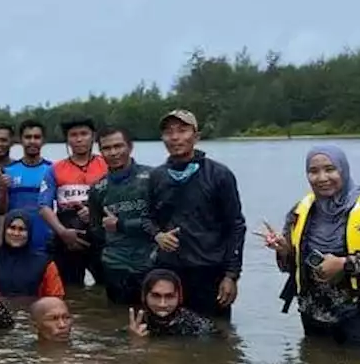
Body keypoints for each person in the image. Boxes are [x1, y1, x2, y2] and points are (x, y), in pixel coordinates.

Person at [268, 145, 360, 347]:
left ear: (343, 170)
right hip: (314, 312)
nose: (322, 178)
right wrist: (284, 251)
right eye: (313, 171)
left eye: (330, 169)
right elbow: (289, 267)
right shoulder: (300, 211)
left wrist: (345, 263)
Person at [145, 110, 245, 318]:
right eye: (168, 132)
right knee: (169, 335)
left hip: (210, 270)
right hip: (170, 271)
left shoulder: (219, 174)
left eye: (182, 131)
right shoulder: (157, 176)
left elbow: (236, 226)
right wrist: (158, 235)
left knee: (215, 338)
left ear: (196, 137)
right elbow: (147, 219)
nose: (175, 137)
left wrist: (231, 276)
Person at [86, 127, 154, 305]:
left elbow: (164, 221)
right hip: (115, 264)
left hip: (151, 261)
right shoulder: (97, 189)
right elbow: (96, 230)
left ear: (130, 147)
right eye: (107, 148)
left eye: (118, 146)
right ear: (100, 152)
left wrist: (122, 224)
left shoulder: (153, 178)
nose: (113, 153)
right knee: (117, 319)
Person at [38, 117, 108, 287]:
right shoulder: (54, 169)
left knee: (105, 287)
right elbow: (43, 206)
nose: (79, 139)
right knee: (69, 290)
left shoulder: (106, 165)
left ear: (93, 136)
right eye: (73, 135)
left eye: (84, 134)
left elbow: (119, 200)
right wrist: (62, 232)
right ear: (67, 139)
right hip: (66, 237)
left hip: (101, 237)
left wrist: (96, 213)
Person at [0, 211, 64, 299]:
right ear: (4, 230)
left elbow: (56, 298)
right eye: (12, 228)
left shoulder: (45, 264)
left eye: (22, 229)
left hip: (33, 310)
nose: (16, 233)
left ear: (29, 233)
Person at [4, 120, 53, 254]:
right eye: (28, 137)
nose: (32, 141)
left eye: (37, 137)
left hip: (45, 242)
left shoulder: (52, 170)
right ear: (20, 140)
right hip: (16, 241)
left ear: (44, 140)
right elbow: (2, 210)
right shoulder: (9, 171)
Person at [127, 269, 220, 338]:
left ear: (179, 298)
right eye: (156, 296)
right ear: (144, 297)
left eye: (169, 296)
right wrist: (134, 342)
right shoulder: (136, 324)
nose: (162, 304)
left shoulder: (198, 326)